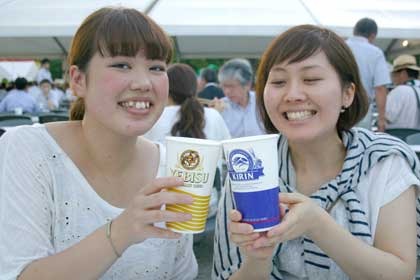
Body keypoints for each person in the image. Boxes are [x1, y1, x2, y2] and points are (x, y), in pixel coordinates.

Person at [0, 7, 197, 280]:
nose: (143, 83)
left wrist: (254, 257)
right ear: (78, 80)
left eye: (156, 68)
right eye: (121, 65)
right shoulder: (28, 149)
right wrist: (122, 231)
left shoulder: (171, 166)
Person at [213, 25, 419, 279]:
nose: (293, 95)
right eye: (278, 81)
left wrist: (317, 224)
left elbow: (400, 273)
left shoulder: (383, 161)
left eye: (311, 79)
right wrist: (258, 256)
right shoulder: (247, 168)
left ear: (347, 94)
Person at [145, 63, 231, 144]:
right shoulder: (213, 115)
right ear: (195, 87)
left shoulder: (155, 116)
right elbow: (228, 151)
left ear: (166, 88)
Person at [346, 18, 390, 131]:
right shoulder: (375, 53)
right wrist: (381, 118)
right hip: (362, 109)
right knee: (360, 144)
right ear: (373, 35)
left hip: (337, 105)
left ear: (354, 31)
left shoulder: (341, 47)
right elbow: (380, 87)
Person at [211, 58, 266, 138]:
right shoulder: (220, 107)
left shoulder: (263, 103)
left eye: (231, 86)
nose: (227, 91)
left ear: (247, 85)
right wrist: (214, 115)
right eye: (223, 86)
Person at [386, 54, 420, 129]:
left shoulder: (399, 91)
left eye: (394, 74)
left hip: (398, 137)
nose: (392, 78)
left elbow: (387, 117)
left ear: (403, 73)